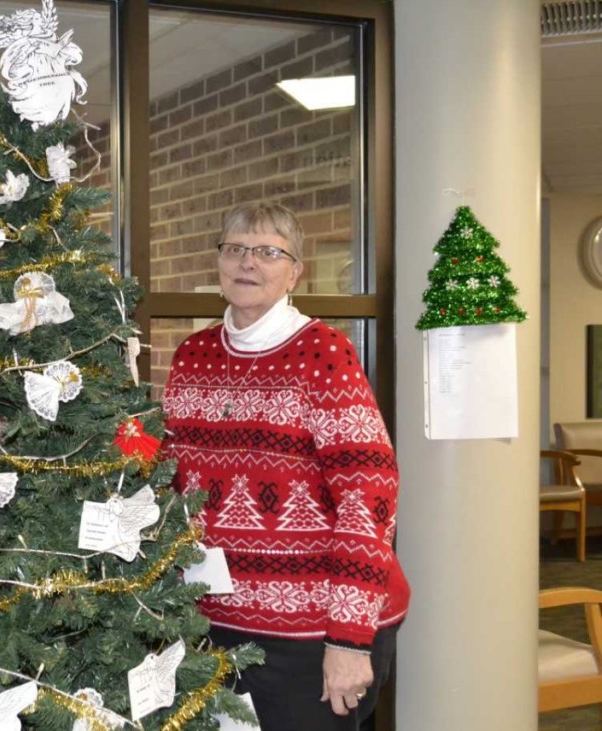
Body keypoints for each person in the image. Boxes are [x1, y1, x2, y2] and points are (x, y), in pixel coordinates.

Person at [162, 204, 409, 730]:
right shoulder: (193, 355)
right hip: (213, 624)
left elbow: (370, 498)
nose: (247, 262)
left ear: (295, 271)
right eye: (234, 249)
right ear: (219, 262)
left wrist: (347, 639)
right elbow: (173, 481)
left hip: (312, 636)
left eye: (268, 251)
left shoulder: (325, 354)